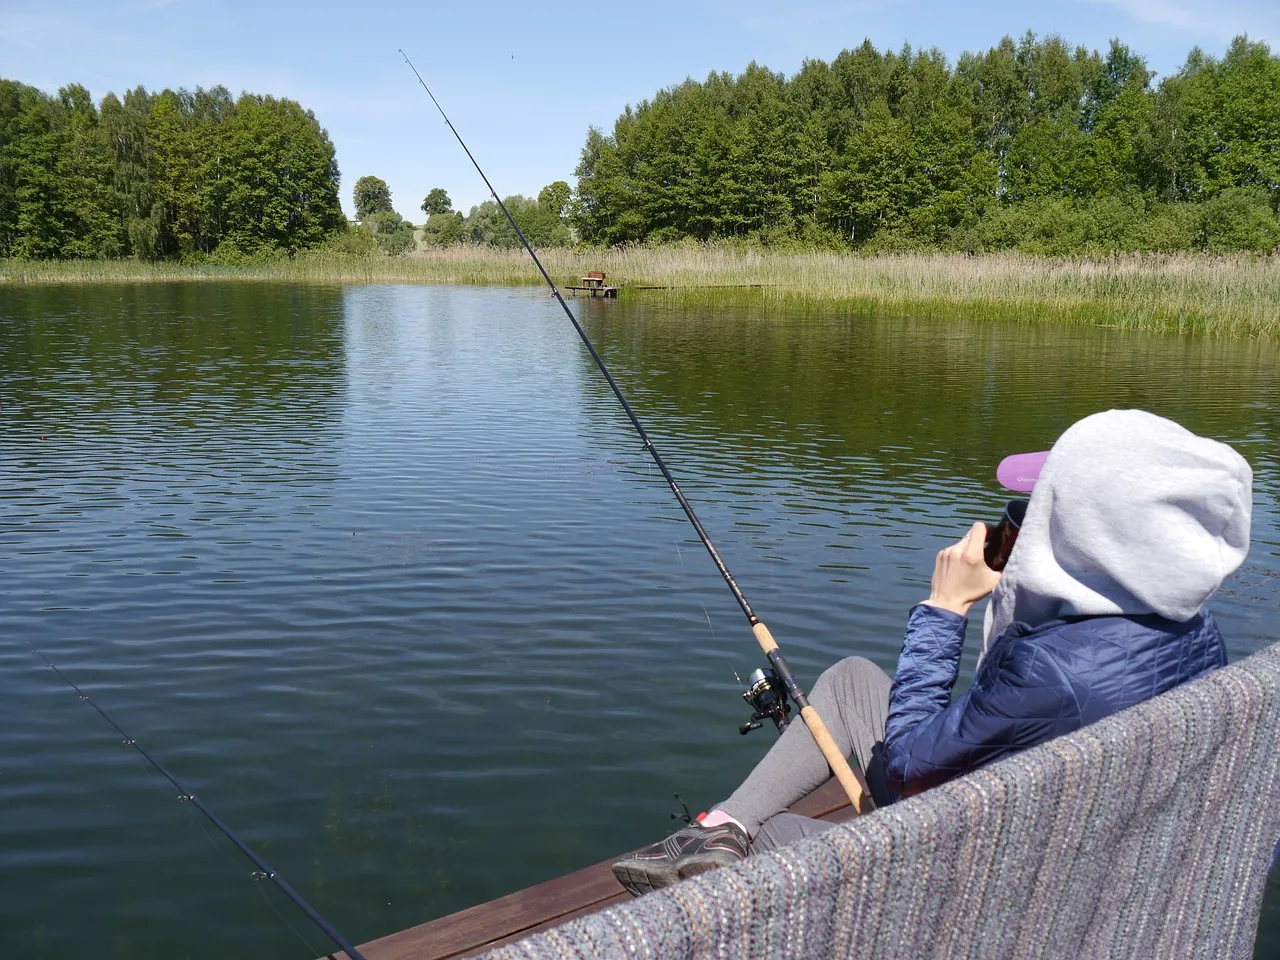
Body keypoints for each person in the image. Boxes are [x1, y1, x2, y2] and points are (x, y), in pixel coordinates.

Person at [612, 409, 1253, 897]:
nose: (1010, 531)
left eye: (1030, 516)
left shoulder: (1053, 670)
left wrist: (945, 611)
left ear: (1094, 542)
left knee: (781, 842)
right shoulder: (1195, 635)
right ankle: (722, 825)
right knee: (854, 681)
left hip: (991, 882)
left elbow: (902, 773)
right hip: (1079, 853)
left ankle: (732, 852)